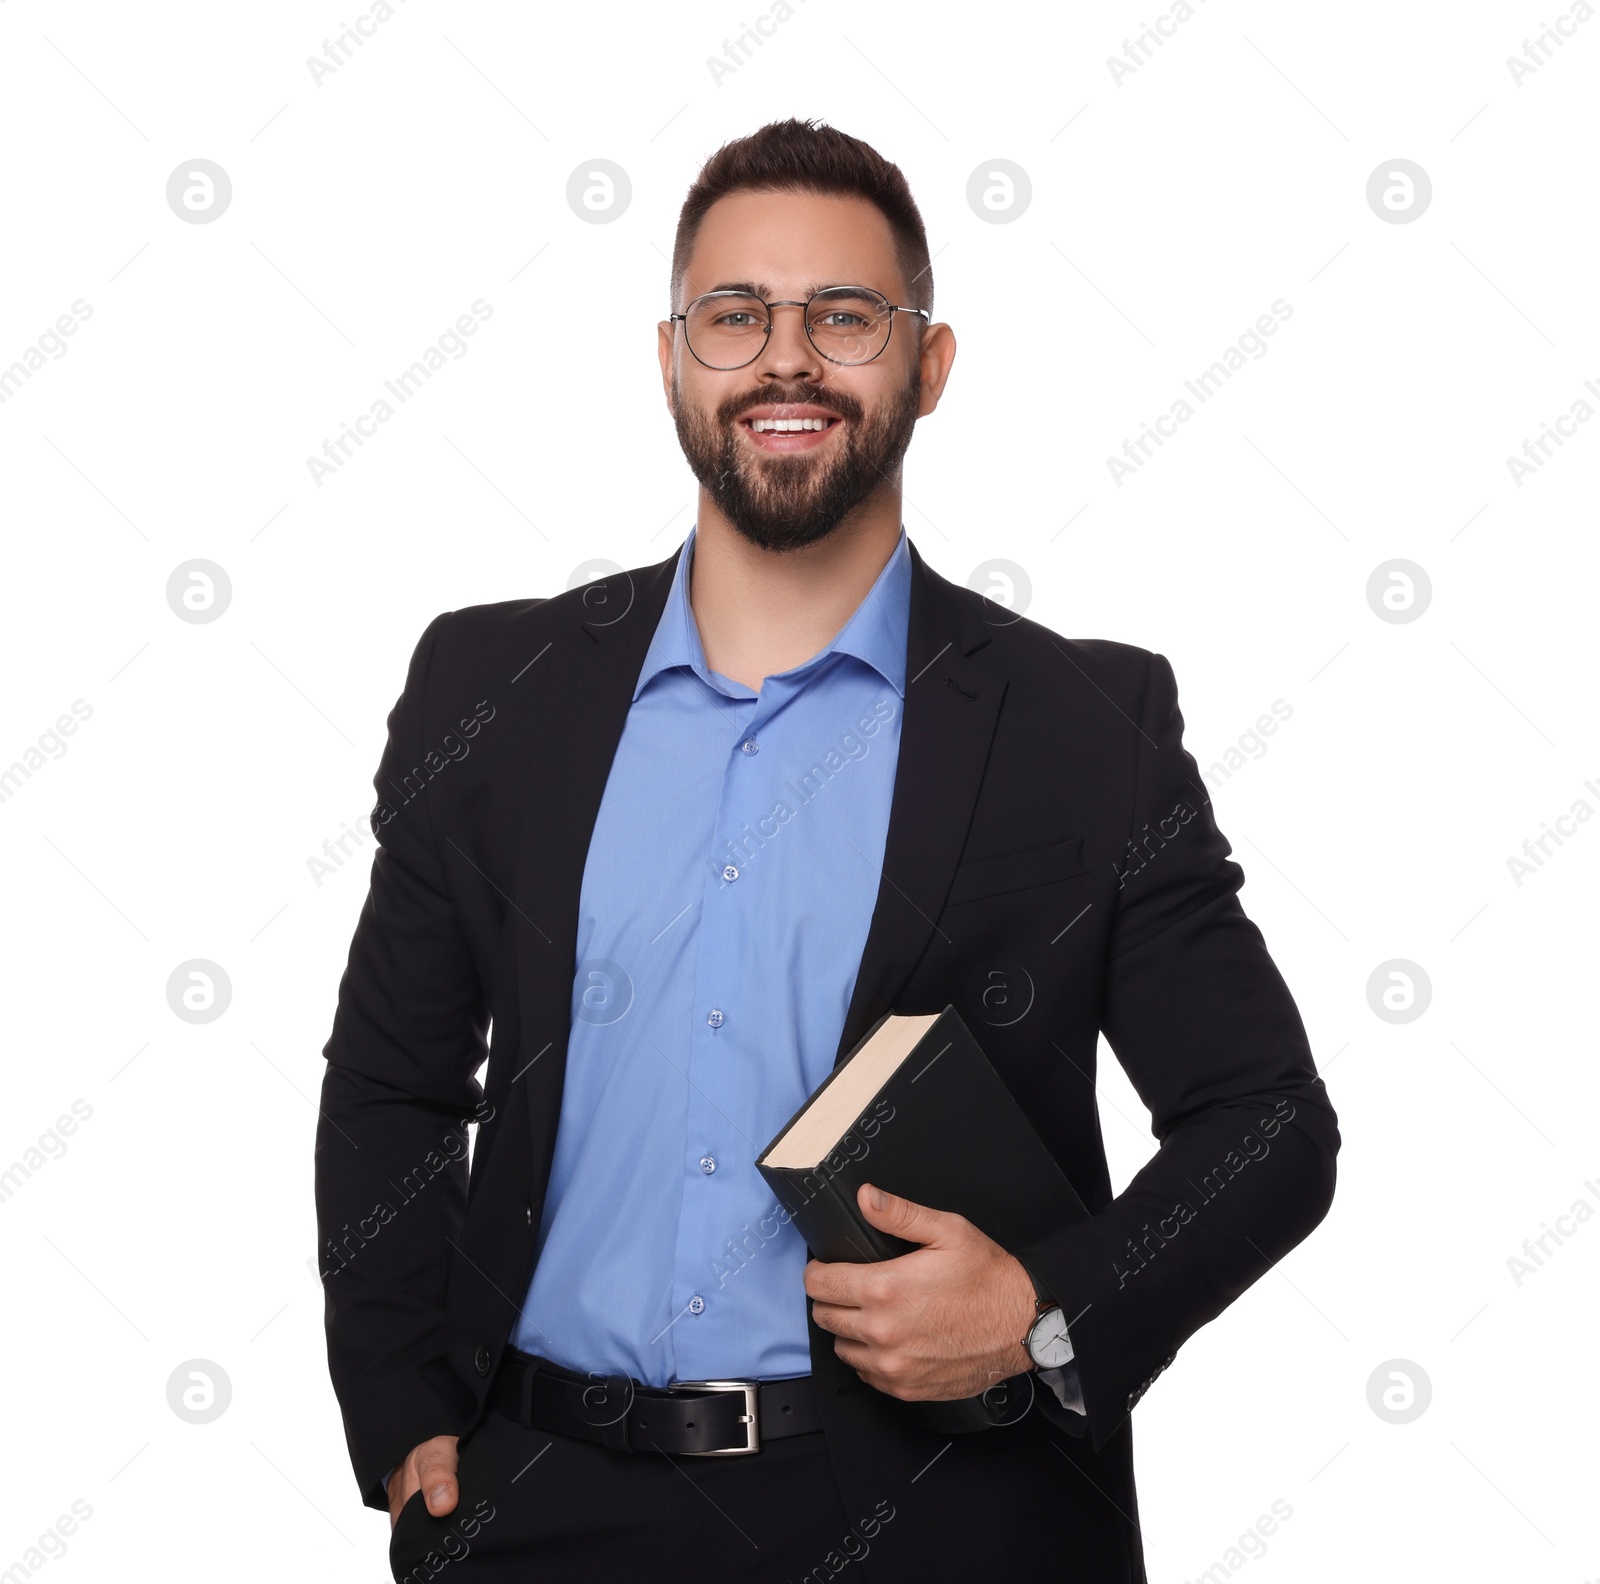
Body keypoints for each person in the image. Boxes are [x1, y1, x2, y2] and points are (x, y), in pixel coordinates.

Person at [316, 117, 1340, 1583]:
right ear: (672, 359)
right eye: (737, 316)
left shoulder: (1080, 725)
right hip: (532, 1504)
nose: (785, 360)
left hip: (936, 1518)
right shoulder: (495, 693)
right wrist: (401, 1402)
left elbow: (1266, 1124)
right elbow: (396, 1083)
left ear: (927, 364)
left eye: (843, 318)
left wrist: (1046, 1313)